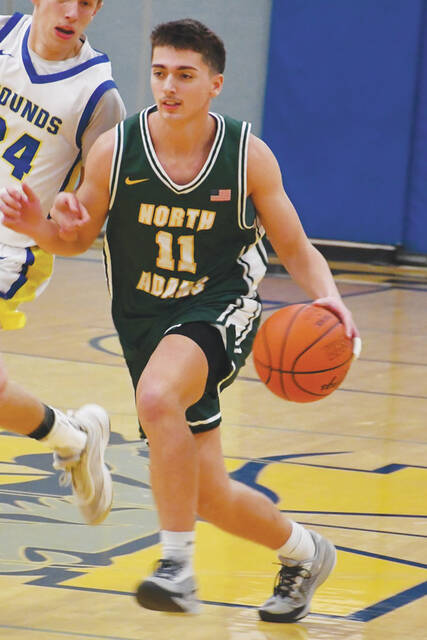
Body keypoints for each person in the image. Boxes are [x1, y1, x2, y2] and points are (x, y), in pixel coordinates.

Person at [0, 18, 361, 622]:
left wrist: (331, 299)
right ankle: (306, 553)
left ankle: (176, 569)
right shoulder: (116, 150)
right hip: (144, 318)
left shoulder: (246, 156)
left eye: (185, 75)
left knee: (157, 396)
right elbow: (75, 237)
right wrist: (39, 224)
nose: (169, 86)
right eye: (160, 72)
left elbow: (296, 248)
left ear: (215, 83)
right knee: (205, 494)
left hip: (220, 305)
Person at [0, 0, 126, 525]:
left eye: (87, 2)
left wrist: (74, 211)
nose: (72, 11)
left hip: (13, 247)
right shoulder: (2, 35)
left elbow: (88, 217)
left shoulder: (99, 98)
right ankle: (72, 437)